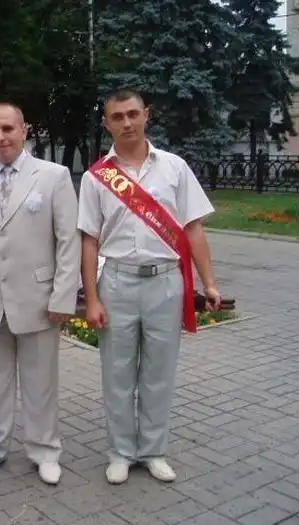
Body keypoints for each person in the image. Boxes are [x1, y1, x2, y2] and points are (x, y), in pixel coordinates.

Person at [78, 88, 222, 485]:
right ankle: (121, 452)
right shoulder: (96, 178)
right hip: (117, 282)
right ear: (107, 123)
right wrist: (92, 298)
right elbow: (89, 240)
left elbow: (193, 228)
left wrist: (210, 283)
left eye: (133, 114)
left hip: (165, 282)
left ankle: (154, 451)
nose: (126, 123)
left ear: (146, 115)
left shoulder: (174, 168)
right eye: (117, 117)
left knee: (159, 372)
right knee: (117, 373)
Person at [0, 102, 81, 485]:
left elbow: (68, 241)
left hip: (39, 299)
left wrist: (63, 296)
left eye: (8, 128)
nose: (1, 136)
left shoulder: (53, 176)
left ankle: (45, 450)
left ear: (24, 130)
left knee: (41, 382)